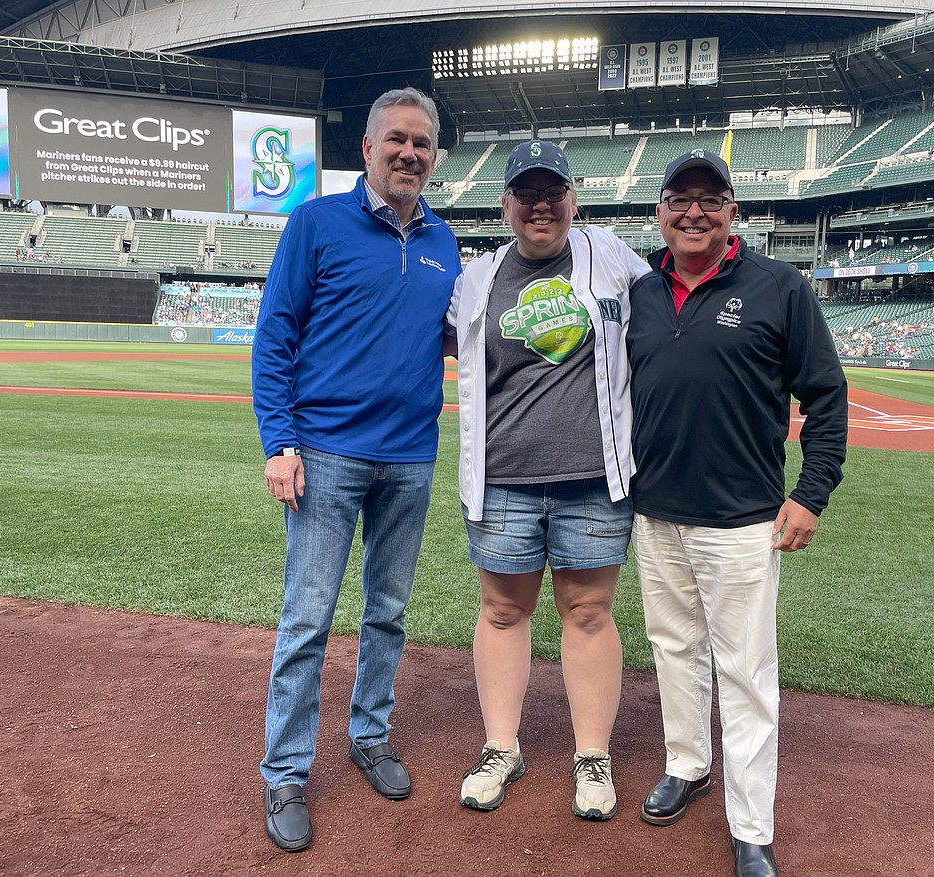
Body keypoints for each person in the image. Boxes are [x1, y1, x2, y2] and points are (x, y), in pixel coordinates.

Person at [625, 150, 848, 877]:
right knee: (673, 649)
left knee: (747, 673)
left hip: (744, 518)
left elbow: (826, 395)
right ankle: (687, 765)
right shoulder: (639, 290)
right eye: (678, 199)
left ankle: (751, 825)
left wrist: (811, 491)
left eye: (709, 198)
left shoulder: (779, 285)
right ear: (658, 211)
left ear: (733, 212)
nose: (693, 211)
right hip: (655, 513)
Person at [251, 86, 460, 853]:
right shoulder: (316, 222)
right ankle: (285, 772)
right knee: (307, 617)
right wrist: (279, 442)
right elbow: (275, 335)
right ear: (368, 148)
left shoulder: (443, 240)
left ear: (434, 158)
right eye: (397, 139)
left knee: (388, 611)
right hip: (327, 453)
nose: (410, 153)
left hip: (410, 455)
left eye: (423, 143)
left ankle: (369, 735)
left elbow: (454, 340)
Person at [446, 139, 651, 821]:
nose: (541, 204)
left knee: (589, 614)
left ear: (573, 198)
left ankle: (591, 754)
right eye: (526, 193)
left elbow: (669, 320)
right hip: (501, 477)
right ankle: (500, 746)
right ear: (505, 205)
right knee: (503, 611)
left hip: (594, 477)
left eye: (553, 191)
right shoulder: (476, 277)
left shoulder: (612, 256)